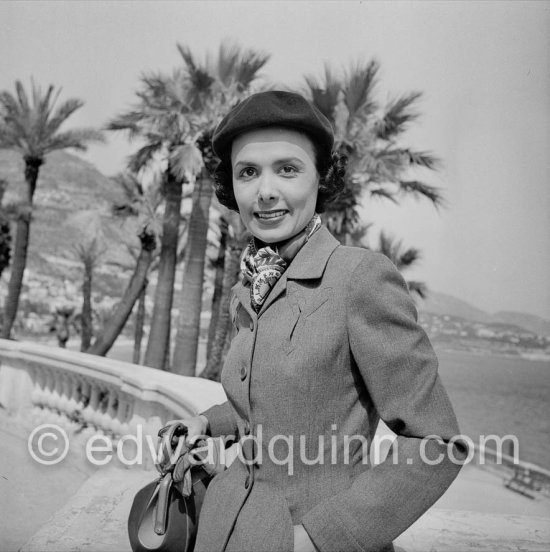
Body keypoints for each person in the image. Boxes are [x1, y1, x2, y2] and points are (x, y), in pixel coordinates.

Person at [180, 90, 466, 552]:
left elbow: (437, 441)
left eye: (288, 169)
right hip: (226, 531)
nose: (266, 190)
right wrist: (206, 425)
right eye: (248, 172)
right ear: (231, 187)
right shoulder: (252, 283)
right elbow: (271, 400)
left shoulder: (359, 278)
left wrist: (319, 539)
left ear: (321, 179)